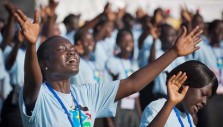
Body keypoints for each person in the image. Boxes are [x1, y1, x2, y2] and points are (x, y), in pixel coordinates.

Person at [14, 9, 202, 127]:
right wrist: (32, 45)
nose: (72, 53)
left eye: (73, 49)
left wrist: (174, 52)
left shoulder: (87, 94)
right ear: (44, 64)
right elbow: (33, 80)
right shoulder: (39, 96)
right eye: (62, 50)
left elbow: (133, 83)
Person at [140, 60, 218, 127]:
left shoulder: (189, 118)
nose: (204, 102)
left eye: (207, 98)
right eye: (203, 94)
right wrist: (171, 102)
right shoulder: (156, 107)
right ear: (184, 84)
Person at [106, 29, 142, 127]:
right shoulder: (112, 62)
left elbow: (136, 94)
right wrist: (109, 119)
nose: (127, 44)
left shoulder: (134, 64)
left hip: (133, 107)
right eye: (124, 41)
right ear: (118, 43)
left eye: (130, 41)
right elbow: (107, 90)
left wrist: (139, 115)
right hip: (117, 107)